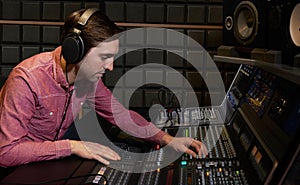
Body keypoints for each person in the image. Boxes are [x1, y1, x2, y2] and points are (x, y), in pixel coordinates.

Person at [0, 8, 208, 168]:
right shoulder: (26, 80)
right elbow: (5, 152)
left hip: (45, 162)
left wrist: (166, 139)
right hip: (15, 171)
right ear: (75, 51)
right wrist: (73, 146)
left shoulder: (87, 79)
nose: (110, 67)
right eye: (104, 58)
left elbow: (120, 115)